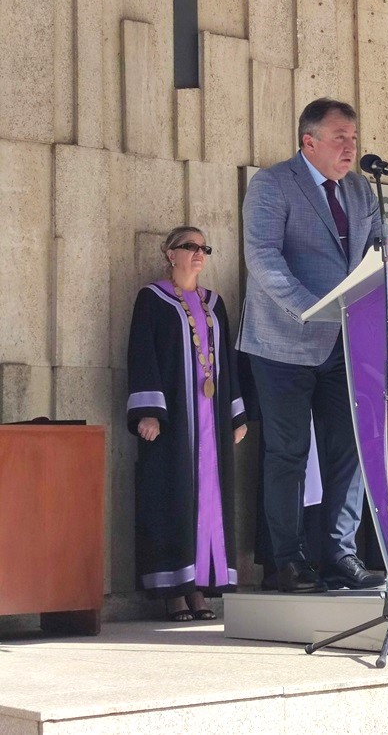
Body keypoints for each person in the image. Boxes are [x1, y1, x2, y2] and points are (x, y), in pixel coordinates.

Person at [239, 98, 384, 593]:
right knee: (289, 453)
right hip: (283, 342)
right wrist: (309, 307)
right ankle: (288, 560)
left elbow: (379, 252)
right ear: (309, 141)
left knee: (349, 449)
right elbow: (262, 257)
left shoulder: (361, 190)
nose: (350, 148)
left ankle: (341, 555)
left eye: (354, 139)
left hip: (346, 342)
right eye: (340, 138)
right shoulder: (272, 184)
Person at [127, 226, 248, 621]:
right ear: (170, 253)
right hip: (174, 420)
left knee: (210, 500)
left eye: (204, 248)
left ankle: (199, 587)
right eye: (190, 246)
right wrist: (149, 410)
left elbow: (227, 361)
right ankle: (174, 592)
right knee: (173, 496)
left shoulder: (215, 304)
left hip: (211, 420)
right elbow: (142, 354)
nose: (199, 253)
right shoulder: (152, 299)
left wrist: (236, 414)